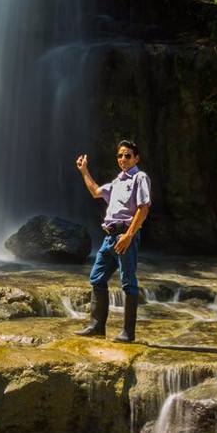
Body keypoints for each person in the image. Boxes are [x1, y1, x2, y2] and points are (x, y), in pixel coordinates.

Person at [74, 140, 151, 342]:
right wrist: (84, 170)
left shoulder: (140, 178)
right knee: (97, 278)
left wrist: (128, 236)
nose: (123, 159)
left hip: (125, 236)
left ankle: (128, 333)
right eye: (120, 156)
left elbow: (144, 208)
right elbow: (95, 192)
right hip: (109, 237)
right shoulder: (117, 182)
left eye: (127, 155)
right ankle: (97, 326)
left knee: (128, 283)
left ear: (136, 158)